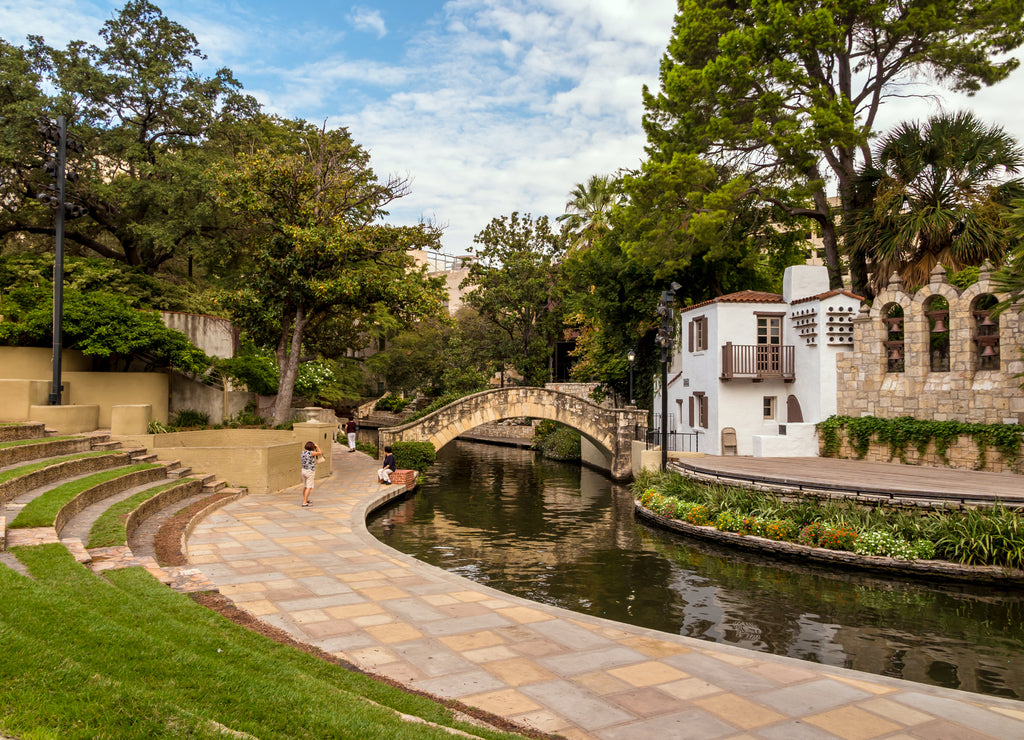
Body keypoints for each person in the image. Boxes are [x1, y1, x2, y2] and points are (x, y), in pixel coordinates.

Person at [300, 441, 322, 506]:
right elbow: (320, 453)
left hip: (303, 470)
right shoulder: (311, 453)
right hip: (310, 471)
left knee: (305, 486)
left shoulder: (302, 453)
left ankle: (306, 499)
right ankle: (304, 502)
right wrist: (317, 446)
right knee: (309, 487)